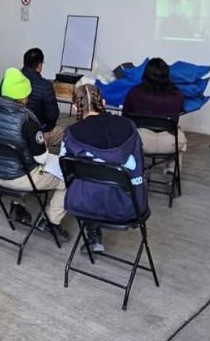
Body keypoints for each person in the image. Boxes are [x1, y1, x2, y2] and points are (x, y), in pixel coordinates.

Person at [0, 67, 68, 240]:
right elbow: (40, 157)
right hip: (20, 177)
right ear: (23, 97)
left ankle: (18, 206)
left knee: (22, 161)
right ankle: (51, 222)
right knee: (66, 178)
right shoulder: (27, 119)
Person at [61, 84, 147, 253]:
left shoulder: (71, 134)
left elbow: (65, 171)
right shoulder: (129, 126)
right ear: (104, 102)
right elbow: (140, 162)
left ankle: (93, 235)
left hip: (85, 205)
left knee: (88, 183)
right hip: (129, 207)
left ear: (74, 107)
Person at [122, 57, 189, 174]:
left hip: (141, 142)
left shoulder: (134, 93)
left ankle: (134, 172)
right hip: (169, 144)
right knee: (179, 134)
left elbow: (125, 118)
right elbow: (176, 117)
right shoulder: (177, 95)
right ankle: (172, 170)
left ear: (145, 74)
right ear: (167, 75)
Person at [19, 48, 59, 133]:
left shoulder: (10, 80)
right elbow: (53, 115)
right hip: (37, 130)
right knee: (61, 132)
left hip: (13, 125)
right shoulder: (45, 85)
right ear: (39, 65)